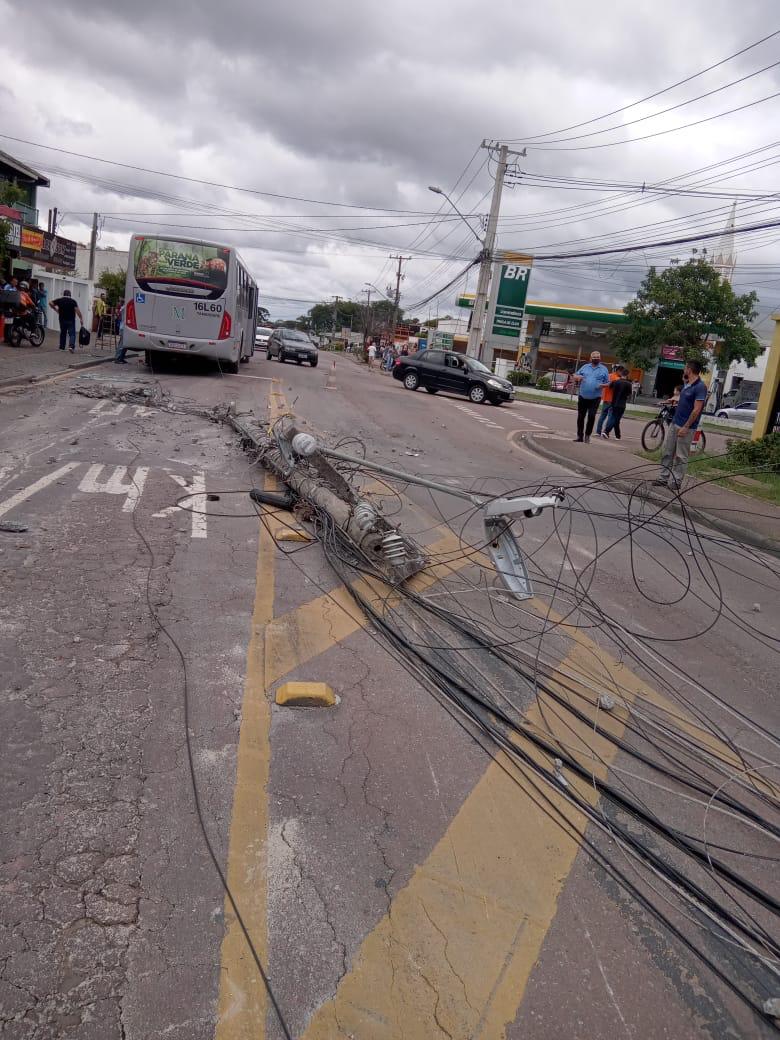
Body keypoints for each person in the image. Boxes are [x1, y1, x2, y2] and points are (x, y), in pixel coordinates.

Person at [654, 360, 708, 490]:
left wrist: (686, 426)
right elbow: (682, 399)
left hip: (687, 427)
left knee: (680, 455)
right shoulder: (687, 384)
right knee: (668, 451)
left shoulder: (700, 387)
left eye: (685, 368)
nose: (684, 370)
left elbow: (697, 409)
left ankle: (676, 481)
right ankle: (663, 478)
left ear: (689, 370)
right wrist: (670, 400)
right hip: (675, 422)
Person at [572, 351, 609, 442]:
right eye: (594, 357)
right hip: (583, 396)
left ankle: (587, 435)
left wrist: (603, 385)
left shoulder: (604, 369)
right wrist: (577, 377)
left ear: (600, 358)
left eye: (598, 357)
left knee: (592, 416)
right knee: (581, 416)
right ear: (590, 358)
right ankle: (579, 436)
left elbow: (608, 382)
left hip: (595, 397)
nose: (596, 358)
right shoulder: (585, 367)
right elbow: (575, 375)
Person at [601, 367, 632, 440]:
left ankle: (618, 435)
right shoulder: (628, 384)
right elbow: (629, 394)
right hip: (622, 404)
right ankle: (606, 431)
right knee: (615, 419)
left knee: (616, 419)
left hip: (614, 402)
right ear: (627, 375)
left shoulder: (616, 382)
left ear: (621, 374)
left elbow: (610, 387)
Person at [595, 365, 621, 437]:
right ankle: (606, 432)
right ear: (618, 371)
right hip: (612, 400)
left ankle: (598, 431)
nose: (622, 374)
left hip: (605, 398)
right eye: (621, 372)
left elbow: (604, 384)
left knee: (602, 415)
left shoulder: (608, 375)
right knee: (610, 417)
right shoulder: (617, 379)